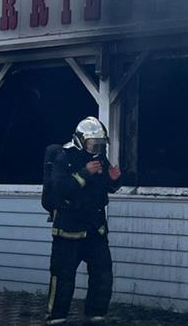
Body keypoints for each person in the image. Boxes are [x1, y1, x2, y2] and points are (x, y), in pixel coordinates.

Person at [45, 116, 121, 325]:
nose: (97, 148)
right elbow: (58, 188)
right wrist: (84, 173)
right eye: (92, 143)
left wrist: (114, 180)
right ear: (80, 140)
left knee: (103, 274)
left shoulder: (100, 158)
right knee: (63, 277)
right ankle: (57, 316)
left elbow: (103, 188)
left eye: (100, 144)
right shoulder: (64, 156)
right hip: (69, 229)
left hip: (95, 228)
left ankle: (96, 314)